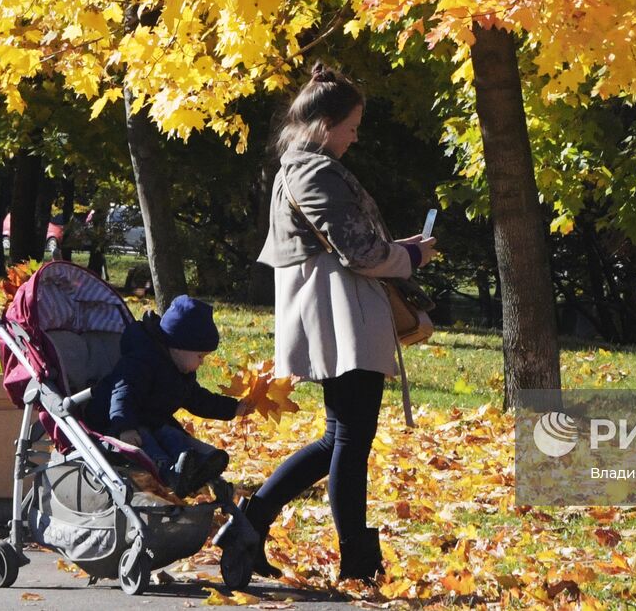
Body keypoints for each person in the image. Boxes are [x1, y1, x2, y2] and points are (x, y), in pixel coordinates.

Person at [220, 62, 436, 589]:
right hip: (341, 317)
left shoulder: (299, 169)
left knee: (339, 438)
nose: (355, 136)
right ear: (324, 125)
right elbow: (359, 253)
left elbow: (349, 247)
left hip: (336, 313)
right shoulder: (314, 172)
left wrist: (398, 250)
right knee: (350, 442)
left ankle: (253, 522)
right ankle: (356, 562)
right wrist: (410, 257)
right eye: (352, 126)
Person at [85, 294, 253, 498]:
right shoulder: (141, 361)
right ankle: (170, 472)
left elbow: (199, 400)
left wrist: (233, 408)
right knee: (147, 442)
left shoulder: (180, 372)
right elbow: (122, 394)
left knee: (173, 435)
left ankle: (196, 464)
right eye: (200, 356)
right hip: (116, 423)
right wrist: (125, 427)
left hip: (153, 421)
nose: (202, 362)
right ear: (178, 347)